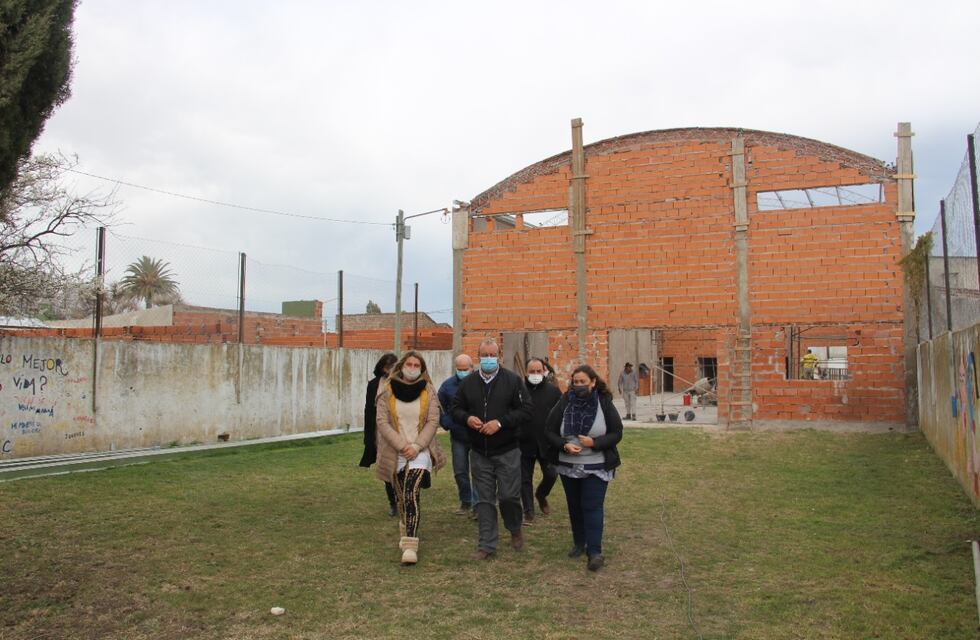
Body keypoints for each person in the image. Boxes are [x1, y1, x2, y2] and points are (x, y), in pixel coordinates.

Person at [452, 337, 534, 560]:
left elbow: (526, 410)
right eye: (484, 355)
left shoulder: (513, 381)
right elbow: (455, 408)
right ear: (478, 357)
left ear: (499, 356)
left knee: (508, 496)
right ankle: (487, 544)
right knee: (485, 500)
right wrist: (467, 418)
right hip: (479, 452)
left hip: (507, 450)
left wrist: (500, 423)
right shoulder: (468, 383)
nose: (488, 359)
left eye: (492, 355)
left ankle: (514, 527)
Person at [545, 364, 623, 571]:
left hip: (596, 465)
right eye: (575, 382)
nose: (578, 386)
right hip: (568, 465)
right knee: (575, 505)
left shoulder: (603, 402)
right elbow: (549, 431)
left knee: (592, 506)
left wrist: (594, 443)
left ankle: (595, 552)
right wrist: (563, 444)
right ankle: (579, 542)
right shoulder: (564, 402)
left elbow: (616, 433)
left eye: (583, 382)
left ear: (593, 382)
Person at [375, 350, 446, 564]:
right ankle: (405, 528)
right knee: (401, 497)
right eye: (410, 364)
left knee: (411, 493)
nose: (413, 368)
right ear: (402, 366)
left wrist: (416, 446)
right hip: (395, 451)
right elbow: (382, 422)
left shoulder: (429, 391)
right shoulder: (387, 391)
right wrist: (402, 445)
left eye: (417, 365)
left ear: (422, 369)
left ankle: (410, 546)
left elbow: (433, 421)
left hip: (420, 451)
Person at [520, 356, 562, 524]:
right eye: (532, 371)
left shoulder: (553, 391)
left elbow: (561, 415)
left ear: (544, 372)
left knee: (552, 474)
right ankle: (528, 511)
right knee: (524, 479)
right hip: (524, 442)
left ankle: (541, 495)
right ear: (526, 372)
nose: (535, 374)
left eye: (539, 371)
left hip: (547, 443)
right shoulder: (519, 390)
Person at [437, 353, 479, 518]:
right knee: (460, 471)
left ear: (471, 368)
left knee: (478, 472)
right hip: (458, 436)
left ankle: (477, 506)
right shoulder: (447, 386)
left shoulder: (480, 383)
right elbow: (440, 406)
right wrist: (447, 422)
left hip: (477, 436)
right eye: (459, 369)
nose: (462, 372)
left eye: (465, 369)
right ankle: (465, 500)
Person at [359, 352, 399, 516]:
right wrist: (369, 437)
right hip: (380, 433)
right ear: (384, 368)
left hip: (399, 432)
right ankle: (393, 502)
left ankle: (404, 498)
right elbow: (369, 410)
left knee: (401, 467)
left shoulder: (403, 383)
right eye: (391, 368)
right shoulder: (375, 384)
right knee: (387, 468)